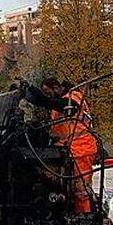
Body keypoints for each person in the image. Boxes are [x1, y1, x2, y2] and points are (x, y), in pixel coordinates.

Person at [21, 77, 98, 214]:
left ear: (56, 88)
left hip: (81, 148)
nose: (47, 95)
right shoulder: (60, 104)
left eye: (48, 92)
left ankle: (85, 220)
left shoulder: (73, 98)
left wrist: (35, 94)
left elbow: (55, 104)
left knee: (81, 191)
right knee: (68, 189)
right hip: (68, 150)